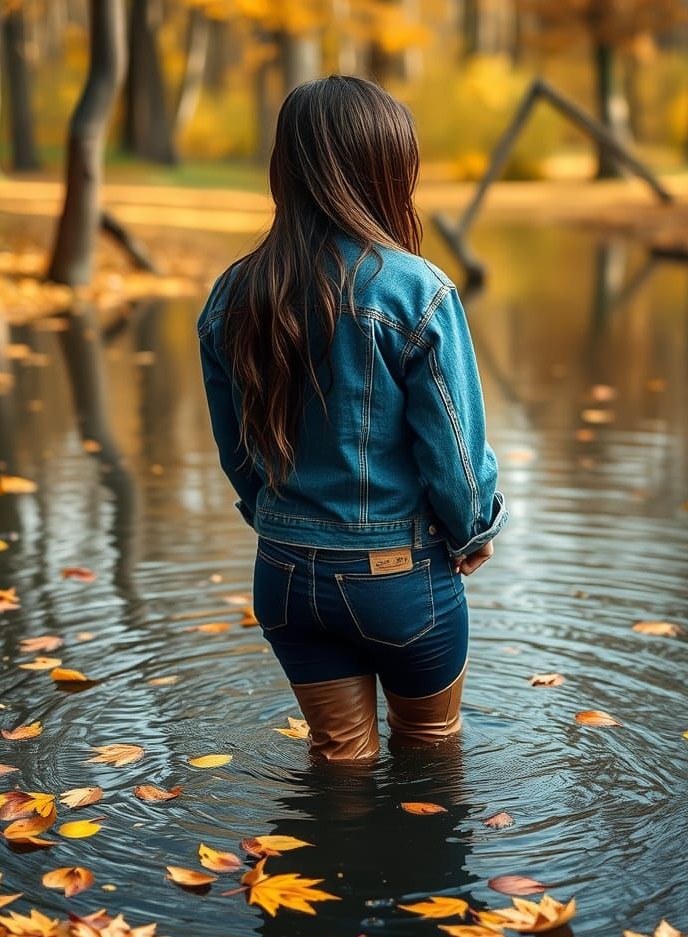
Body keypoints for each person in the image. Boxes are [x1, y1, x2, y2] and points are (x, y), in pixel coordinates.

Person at [197, 76, 507, 762]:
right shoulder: (415, 289)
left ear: (286, 171)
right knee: (430, 754)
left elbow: (236, 449)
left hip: (282, 576)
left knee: (339, 760)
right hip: (396, 580)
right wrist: (474, 528)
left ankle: (325, 867)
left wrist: (279, 523)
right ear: (387, 171)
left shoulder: (233, 292)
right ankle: (419, 871)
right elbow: (455, 454)